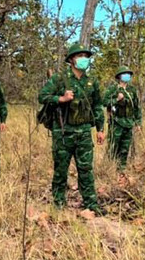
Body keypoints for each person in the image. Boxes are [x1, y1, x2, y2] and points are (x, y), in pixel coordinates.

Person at [38, 43, 106, 215]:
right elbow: (42, 96)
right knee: (61, 168)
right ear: (71, 60)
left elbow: (97, 106)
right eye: (80, 56)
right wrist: (61, 98)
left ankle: (91, 203)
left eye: (86, 56)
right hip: (63, 131)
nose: (84, 59)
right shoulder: (60, 79)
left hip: (83, 131)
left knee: (86, 169)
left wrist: (100, 129)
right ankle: (59, 203)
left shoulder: (91, 82)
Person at [103, 66, 142, 172]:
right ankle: (110, 168)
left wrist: (138, 123)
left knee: (125, 147)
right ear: (119, 76)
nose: (127, 76)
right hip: (116, 123)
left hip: (129, 123)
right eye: (125, 74)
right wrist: (117, 99)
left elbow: (137, 107)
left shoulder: (132, 90)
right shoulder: (113, 89)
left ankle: (122, 169)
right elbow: (104, 102)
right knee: (113, 146)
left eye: (128, 74)